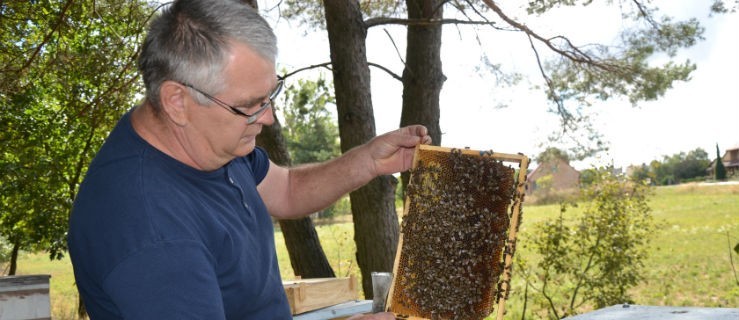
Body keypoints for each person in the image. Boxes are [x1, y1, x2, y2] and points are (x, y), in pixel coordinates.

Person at [67, 0, 431, 319]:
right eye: (249, 105)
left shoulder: (200, 141)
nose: (268, 117)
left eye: (269, 95)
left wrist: (367, 161)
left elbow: (287, 189)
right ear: (177, 101)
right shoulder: (151, 236)